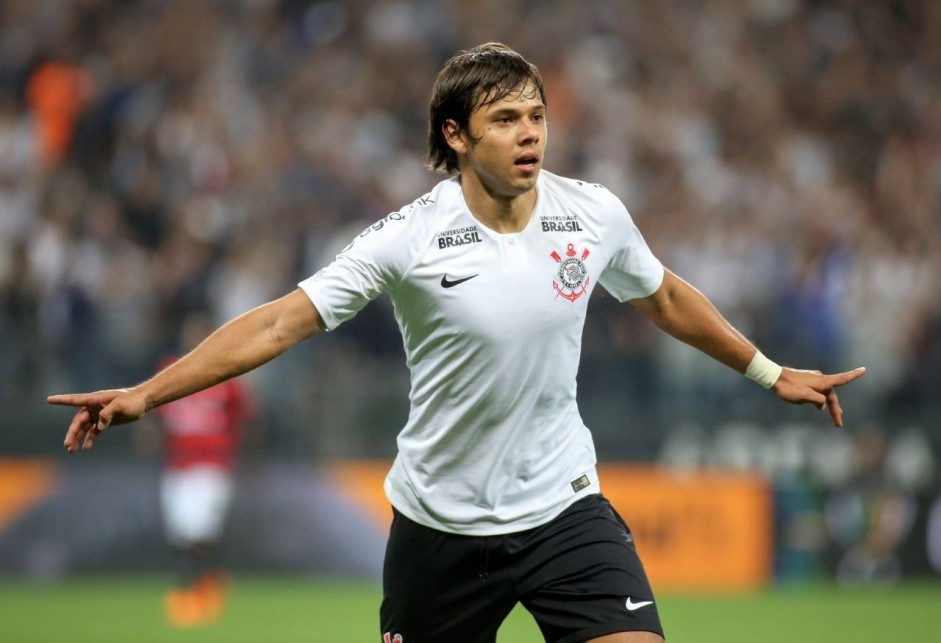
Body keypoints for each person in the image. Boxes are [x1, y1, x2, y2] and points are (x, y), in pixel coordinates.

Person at [49, 42, 865, 643]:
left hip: (561, 507)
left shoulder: (592, 213)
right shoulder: (404, 238)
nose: (528, 133)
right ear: (457, 134)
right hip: (439, 525)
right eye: (504, 118)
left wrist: (767, 370)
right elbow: (275, 322)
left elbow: (664, 297)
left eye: (536, 115)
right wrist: (145, 394)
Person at [150, 312, 255, 628]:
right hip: (178, 463)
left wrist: (248, 460)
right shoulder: (168, 370)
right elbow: (156, 413)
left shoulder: (226, 373)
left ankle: (193, 593)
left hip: (212, 463)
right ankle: (207, 584)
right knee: (182, 534)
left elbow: (246, 420)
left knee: (198, 533)